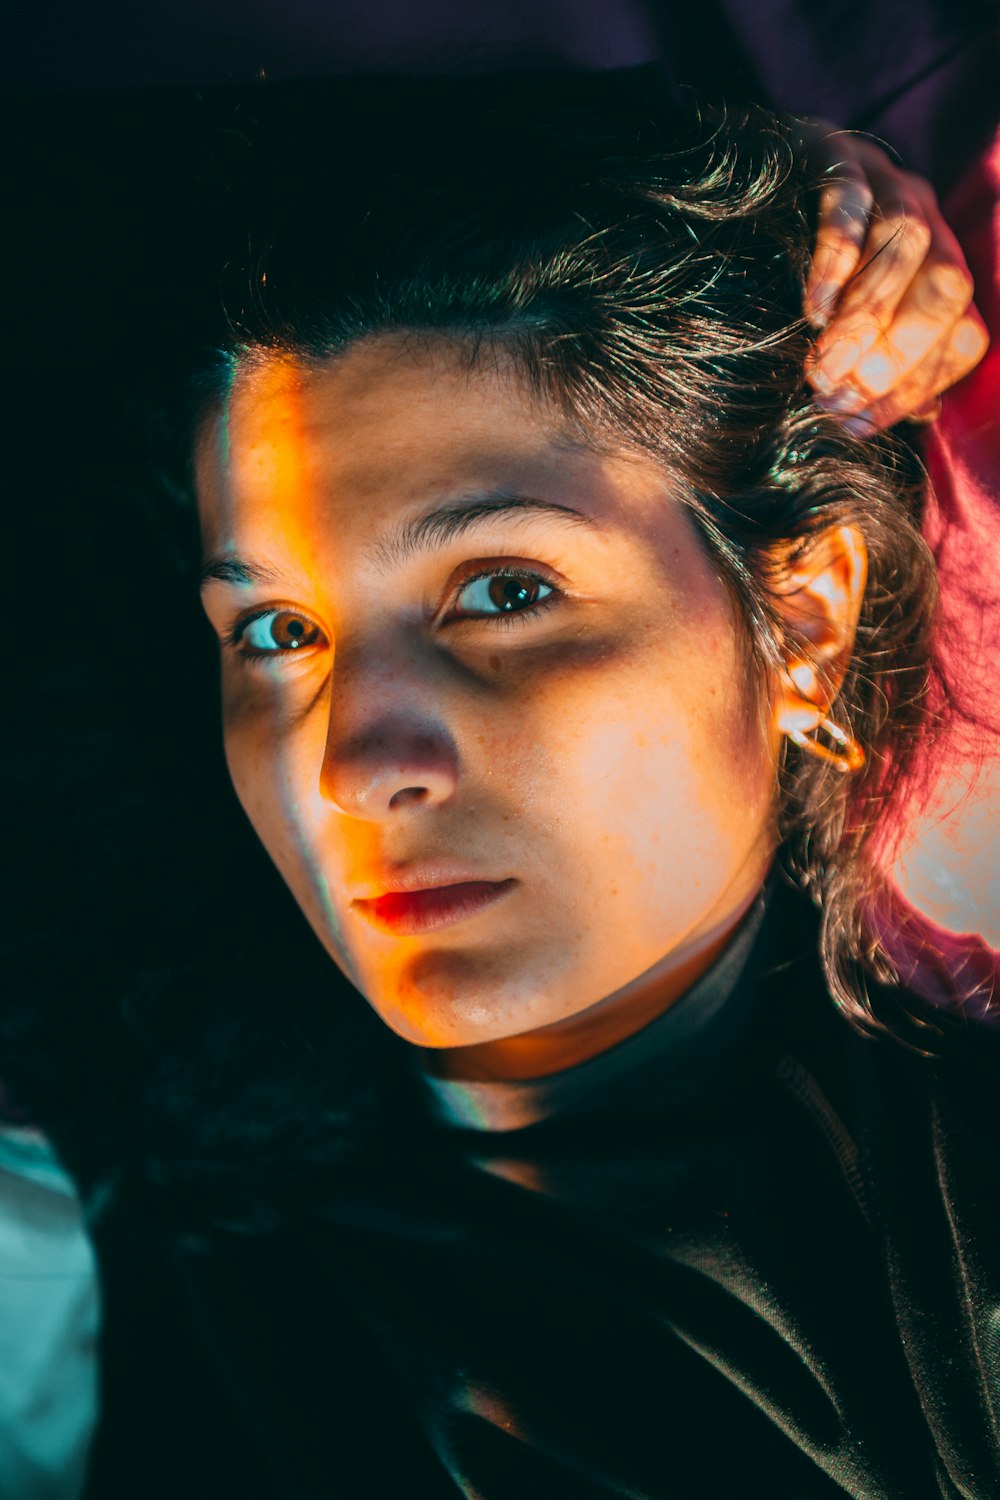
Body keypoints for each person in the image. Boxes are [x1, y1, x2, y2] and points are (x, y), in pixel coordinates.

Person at [2, 79, 995, 1499]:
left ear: (811, 617)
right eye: (275, 634)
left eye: (502, 592)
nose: (350, 763)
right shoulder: (117, 1203)